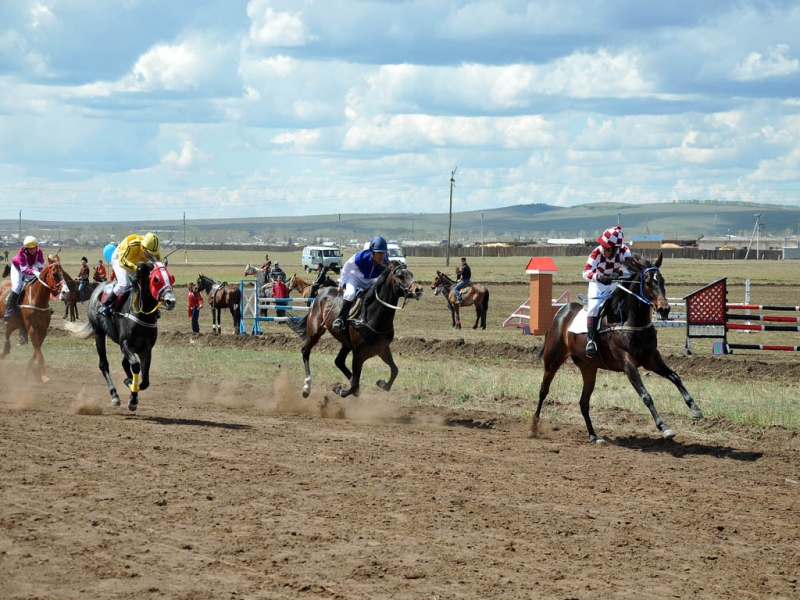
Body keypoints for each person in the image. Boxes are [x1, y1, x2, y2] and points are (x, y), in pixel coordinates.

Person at [582, 225, 632, 355]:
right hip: (597, 285)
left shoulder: (624, 251)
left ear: (616, 249)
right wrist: (599, 277)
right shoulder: (596, 252)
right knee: (593, 308)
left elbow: (632, 270)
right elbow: (585, 272)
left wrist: (620, 272)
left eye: (607, 248)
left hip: (614, 284)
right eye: (603, 246)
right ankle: (591, 340)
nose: (603, 250)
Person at [332, 236, 389, 332]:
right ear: (372, 252)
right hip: (355, 278)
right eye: (379, 253)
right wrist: (341, 284)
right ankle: (340, 319)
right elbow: (346, 267)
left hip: (370, 280)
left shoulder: (386, 261)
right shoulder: (361, 257)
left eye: (384, 253)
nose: (382, 256)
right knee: (350, 294)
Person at [100, 232, 162, 315]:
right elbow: (122, 261)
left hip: (134, 261)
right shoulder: (134, 245)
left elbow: (158, 264)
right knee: (124, 283)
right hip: (120, 258)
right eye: (149, 253)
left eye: (153, 254)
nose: (151, 255)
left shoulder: (154, 250)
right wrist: (137, 269)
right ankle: (106, 305)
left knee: (146, 281)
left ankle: (150, 306)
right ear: (143, 247)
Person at [4, 236, 44, 321]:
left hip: (29, 267)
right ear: (26, 248)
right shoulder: (21, 252)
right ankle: (9, 310)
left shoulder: (39, 251)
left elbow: (41, 265)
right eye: (30, 249)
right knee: (17, 285)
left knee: (38, 283)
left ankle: (43, 306)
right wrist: (34, 272)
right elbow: (24, 270)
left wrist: (41, 273)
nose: (32, 250)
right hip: (17, 268)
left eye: (34, 248)